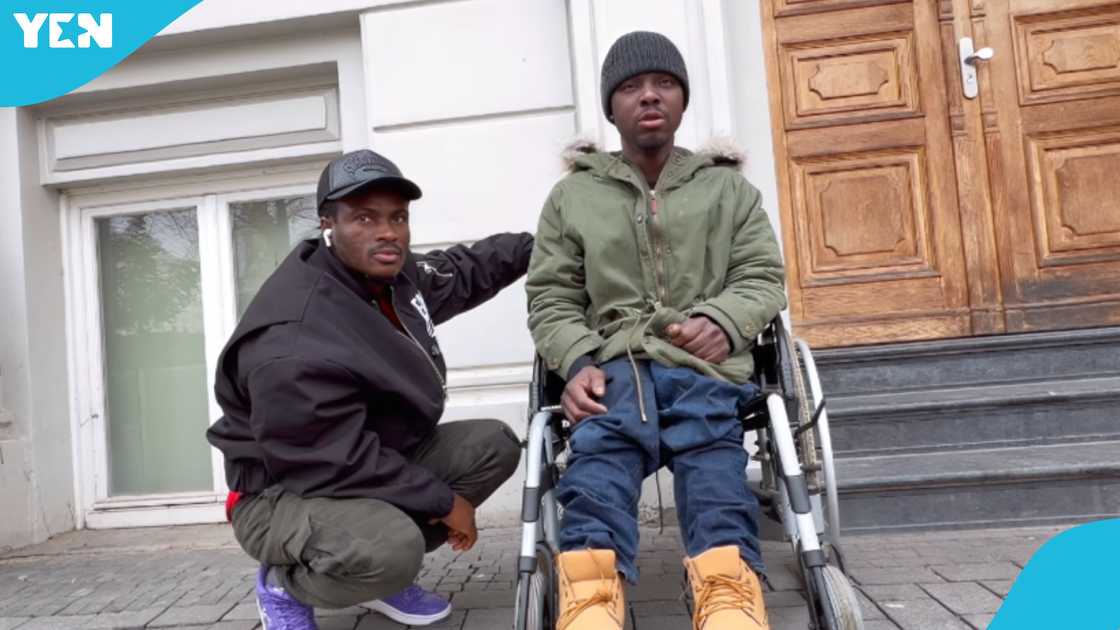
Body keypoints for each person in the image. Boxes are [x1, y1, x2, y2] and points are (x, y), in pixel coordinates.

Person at [207, 149, 532, 630]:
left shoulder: (388, 280)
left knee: (492, 446)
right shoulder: (295, 339)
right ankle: (287, 585)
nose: (388, 232)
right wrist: (444, 503)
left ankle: (372, 571)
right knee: (392, 549)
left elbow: (463, 270)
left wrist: (546, 244)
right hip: (278, 492)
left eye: (397, 217)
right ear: (328, 225)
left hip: (354, 464)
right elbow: (331, 458)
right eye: (364, 217)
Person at [525, 31, 786, 630]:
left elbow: (762, 275)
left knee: (716, 465)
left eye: (663, 84)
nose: (648, 96)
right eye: (630, 87)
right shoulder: (572, 198)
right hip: (614, 371)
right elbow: (552, 296)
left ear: (683, 100)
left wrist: (724, 320)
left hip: (704, 370)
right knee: (598, 465)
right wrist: (577, 359)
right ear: (610, 106)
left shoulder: (728, 190)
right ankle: (590, 600)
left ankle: (726, 593)